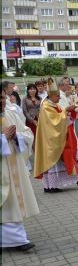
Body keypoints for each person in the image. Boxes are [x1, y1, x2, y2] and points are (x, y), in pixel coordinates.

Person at [33, 78, 78, 193]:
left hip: (58, 138)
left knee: (66, 160)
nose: (59, 98)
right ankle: (50, 186)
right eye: (57, 96)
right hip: (51, 141)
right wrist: (66, 111)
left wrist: (69, 111)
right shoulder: (46, 107)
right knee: (54, 163)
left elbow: (61, 116)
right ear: (51, 96)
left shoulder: (54, 105)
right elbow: (54, 122)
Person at [1, 90, 39, 252]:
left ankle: (16, 239)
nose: (1, 101)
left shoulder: (10, 114)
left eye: (2, 97)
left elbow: (27, 133)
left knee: (12, 201)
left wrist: (16, 136)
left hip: (13, 167)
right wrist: (2, 138)